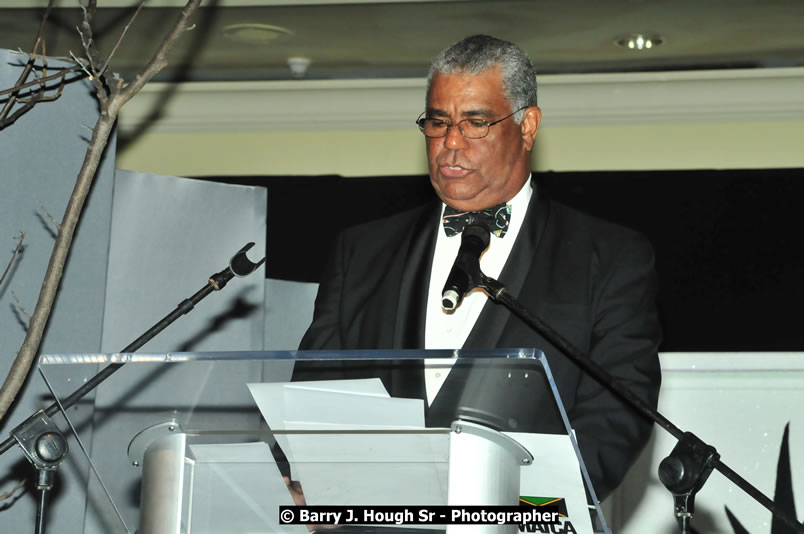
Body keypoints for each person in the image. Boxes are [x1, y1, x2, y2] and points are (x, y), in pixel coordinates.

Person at [294, 34, 661, 501]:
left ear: (527, 126)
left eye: (476, 123)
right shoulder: (362, 251)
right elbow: (315, 399)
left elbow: (616, 417)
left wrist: (515, 509)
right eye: (437, 121)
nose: (450, 142)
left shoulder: (609, 257)